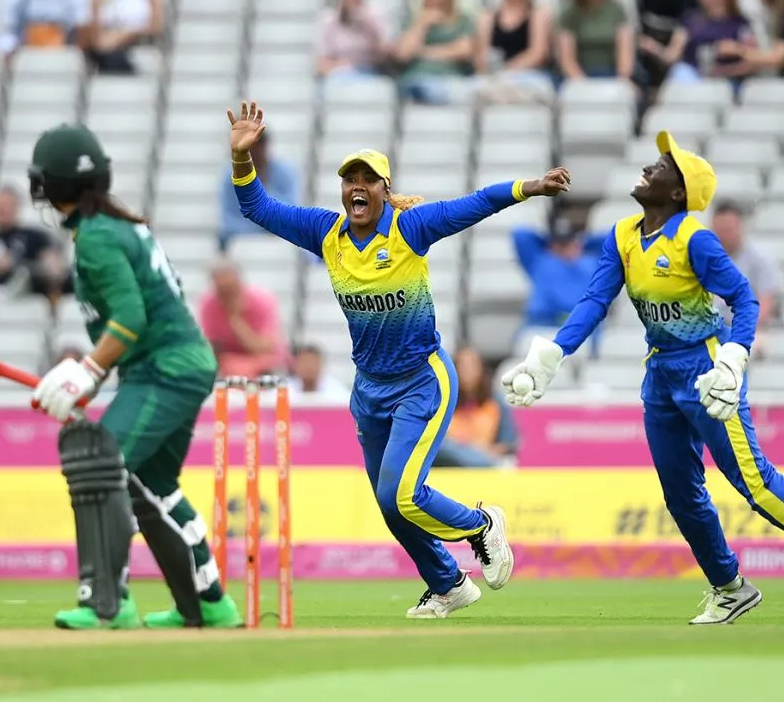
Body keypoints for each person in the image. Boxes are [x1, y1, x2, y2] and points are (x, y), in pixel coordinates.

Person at [500, 130, 784, 626]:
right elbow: (595, 302)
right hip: (660, 372)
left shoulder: (695, 239)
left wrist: (734, 357)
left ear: (679, 192)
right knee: (680, 494)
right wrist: (553, 353)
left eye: (662, 166)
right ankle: (729, 587)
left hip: (707, 370)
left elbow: (745, 298)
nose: (649, 168)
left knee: (754, 482)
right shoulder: (622, 235)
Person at [229, 99, 569, 618]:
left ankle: (482, 526)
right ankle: (448, 584)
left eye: (368, 179)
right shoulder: (328, 235)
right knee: (390, 504)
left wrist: (530, 187)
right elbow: (256, 208)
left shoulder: (410, 230)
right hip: (369, 389)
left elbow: (476, 202)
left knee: (404, 493)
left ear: (385, 191)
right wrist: (241, 159)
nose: (356, 186)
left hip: (421, 381)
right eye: (349, 179)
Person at [26, 124, 241, 631]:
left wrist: (90, 369)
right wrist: (87, 376)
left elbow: (130, 319)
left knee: (102, 466)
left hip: (162, 368)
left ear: (50, 186)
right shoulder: (114, 226)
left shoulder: (98, 236)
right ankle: (208, 603)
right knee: (154, 484)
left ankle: (108, 601)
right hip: (176, 364)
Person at [512, 218, 601, 346]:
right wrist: (546, 242)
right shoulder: (539, 259)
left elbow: (615, 240)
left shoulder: (592, 261)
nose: (564, 249)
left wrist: (585, 242)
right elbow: (519, 233)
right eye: (559, 244)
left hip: (580, 324)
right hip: (542, 322)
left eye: (568, 243)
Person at [198, 259, 289, 379]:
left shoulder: (263, 300)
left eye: (230, 288)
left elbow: (266, 347)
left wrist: (236, 321)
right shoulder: (208, 304)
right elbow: (211, 347)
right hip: (227, 365)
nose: (227, 294)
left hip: (265, 366)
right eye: (221, 289)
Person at [709, 201, 780, 355]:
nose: (723, 235)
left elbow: (766, 302)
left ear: (740, 227)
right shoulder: (702, 258)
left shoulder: (760, 259)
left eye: (728, 229)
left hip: (750, 328)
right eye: (719, 230)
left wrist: (740, 332)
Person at [434, 346, 519, 468]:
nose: (467, 371)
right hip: (450, 465)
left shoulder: (496, 403)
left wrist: (483, 454)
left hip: (483, 466)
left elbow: (507, 443)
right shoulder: (443, 402)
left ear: (481, 369)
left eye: (472, 365)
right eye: (462, 366)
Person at [647, 0, 757, 88]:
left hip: (729, 82)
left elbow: (752, 63)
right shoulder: (690, 21)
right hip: (693, 77)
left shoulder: (741, 25)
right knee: (680, 71)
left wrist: (731, 62)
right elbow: (672, 55)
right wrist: (654, 48)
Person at [217, 132, 299, 250]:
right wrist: (264, 227)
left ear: (265, 145)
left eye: (257, 146)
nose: (253, 153)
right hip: (242, 244)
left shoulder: (285, 172)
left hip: (277, 243)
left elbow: (290, 213)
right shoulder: (229, 176)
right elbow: (229, 222)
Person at [393, 0, 477, 105]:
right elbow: (403, 54)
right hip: (416, 79)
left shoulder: (464, 22)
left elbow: (463, 51)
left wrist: (421, 51)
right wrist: (421, 24)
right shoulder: (412, 20)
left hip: (452, 82)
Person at [474, 0, 554, 104]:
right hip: (495, 78)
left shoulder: (539, 14)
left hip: (528, 76)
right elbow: (481, 56)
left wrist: (507, 70)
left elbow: (538, 54)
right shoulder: (487, 17)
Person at [557, 0, 635, 84]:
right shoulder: (569, 13)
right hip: (580, 76)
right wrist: (584, 84)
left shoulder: (616, 10)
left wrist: (621, 80)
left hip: (612, 73)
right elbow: (567, 60)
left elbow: (625, 53)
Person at [79, 0, 164, 75]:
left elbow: (155, 27)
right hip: (103, 46)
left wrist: (126, 34)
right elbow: (91, 33)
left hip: (138, 42)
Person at [315, 0, 391, 80]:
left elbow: (386, 55)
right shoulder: (329, 20)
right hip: (341, 75)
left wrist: (369, 24)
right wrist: (342, 67)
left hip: (370, 72)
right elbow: (320, 65)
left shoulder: (375, 16)